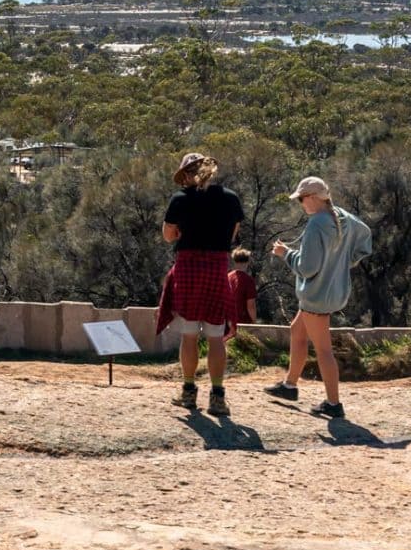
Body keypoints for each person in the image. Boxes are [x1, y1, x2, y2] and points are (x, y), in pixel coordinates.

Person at [265, 177, 372, 419]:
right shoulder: (343, 217)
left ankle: (334, 404)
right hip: (330, 293)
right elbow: (365, 236)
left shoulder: (316, 224)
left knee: (323, 350)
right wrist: (343, 263)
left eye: (302, 199)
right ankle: (290, 385)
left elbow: (307, 268)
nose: (301, 203)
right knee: (297, 331)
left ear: (313, 197)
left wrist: (285, 253)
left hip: (316, 296)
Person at [156, 152, 244, 416]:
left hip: (188, 268)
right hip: (216, 269)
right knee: (216, 336)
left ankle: (188, 392)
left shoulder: (180, 199)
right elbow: (232, 235)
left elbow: (168, 236)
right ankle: (217, 397)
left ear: (186, 174)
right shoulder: (230, 198)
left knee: (189, 334)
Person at [227, 248, 258, 328]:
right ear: (247, 262)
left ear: (234, 261)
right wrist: (254, 322)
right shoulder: (248, 280)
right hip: (242, 322)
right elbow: (251, 305)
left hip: (227, 321)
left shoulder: (228, 277)